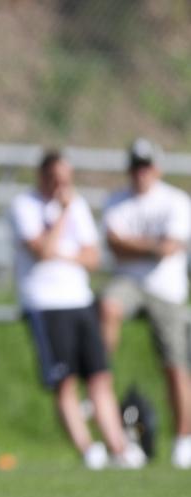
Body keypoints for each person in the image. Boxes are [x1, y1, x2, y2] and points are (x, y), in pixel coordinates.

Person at [11, 151, 145, 469]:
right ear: (42, 176)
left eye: (67, 179)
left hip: (80, 300)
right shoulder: (25, 206)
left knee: (100, 377)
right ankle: (89, 451)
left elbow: (93, 258)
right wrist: (61, 215)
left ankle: (119, 449)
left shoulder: (79, 205)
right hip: (46, 303)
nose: (63, 186)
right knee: (65, 381)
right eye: (57, 179)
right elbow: (42, 250)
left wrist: (63, 252)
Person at [99, 139, 191, 469]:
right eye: (136, 166)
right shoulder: (116, 201)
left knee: (175, 364)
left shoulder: (176, 201)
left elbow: (171, 247)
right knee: (109, 306)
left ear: (158, 169)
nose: (141, 173)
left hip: (165, 289)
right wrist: (152, 245)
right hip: (129, 283)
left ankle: (183, 440)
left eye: (146, 166)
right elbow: (114, 245)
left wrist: (133, 245)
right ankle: (100, 369)